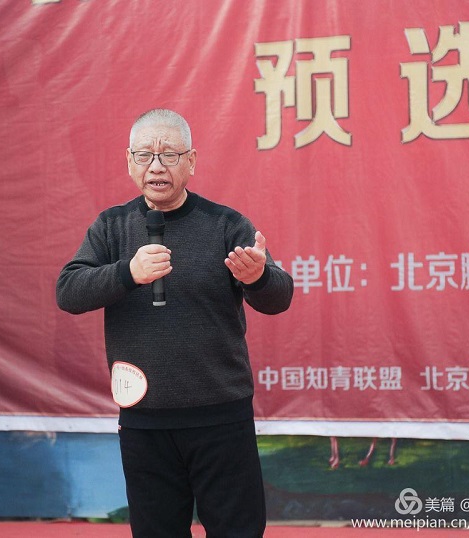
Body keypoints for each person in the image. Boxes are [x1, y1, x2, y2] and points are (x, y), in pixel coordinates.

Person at [57, 109, 293, 537]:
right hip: (144, 421)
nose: (156, 167)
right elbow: (68, 291)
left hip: (221, 417)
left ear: (191, 161)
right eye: (144, 155)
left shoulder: (225, 225)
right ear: (129, 162)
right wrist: (127, 273)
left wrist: (258, 276)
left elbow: (279, 297)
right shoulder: (111, 227)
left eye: (169, 155)